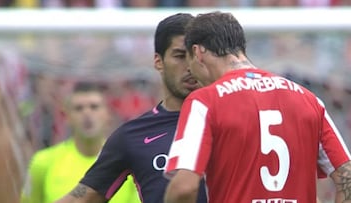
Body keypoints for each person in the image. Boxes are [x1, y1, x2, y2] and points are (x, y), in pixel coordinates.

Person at [164, 11, 351, 203]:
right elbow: (347, 176)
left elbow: (184, 188)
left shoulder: (205, 101)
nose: (190, 71)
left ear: (197, 52)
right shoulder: (309, 99)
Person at [54, 13, 207, 203]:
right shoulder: (133, 136)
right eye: (180, 56)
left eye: (196, 56)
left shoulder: (234, 118)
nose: (190, 66)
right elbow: (82, 197)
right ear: (158, 61)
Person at [21, 81, 139, 203]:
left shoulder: (126, 163)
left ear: (108, 114)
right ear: (67, 116)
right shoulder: (43, 161)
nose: (87, 113)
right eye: (79, 108)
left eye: (94, 107)